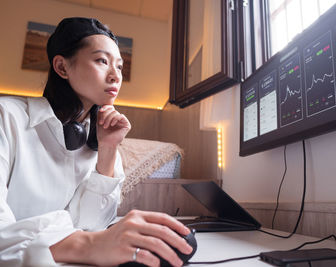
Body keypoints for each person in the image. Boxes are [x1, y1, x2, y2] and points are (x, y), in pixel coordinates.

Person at [0, 17, 192, 267]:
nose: (115, 76)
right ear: (62, 67)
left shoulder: (101, 138)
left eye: (120, 66)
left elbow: (92, 224)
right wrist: (87, 245)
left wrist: (109, 149)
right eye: (102, 61)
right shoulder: (7, 117)